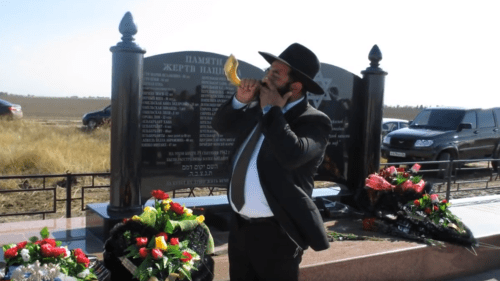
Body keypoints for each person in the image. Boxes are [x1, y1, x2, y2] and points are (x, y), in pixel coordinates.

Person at [212, 43, 332, 281]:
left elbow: (292, 155)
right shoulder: (258, 109)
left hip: (278, 234)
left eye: (276, 74)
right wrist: (240, 100)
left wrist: (273, 111)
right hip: (239, 229)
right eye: (268, 70)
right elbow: (221, 126)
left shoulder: (314, 122)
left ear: (295, 86)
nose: (266, 76)